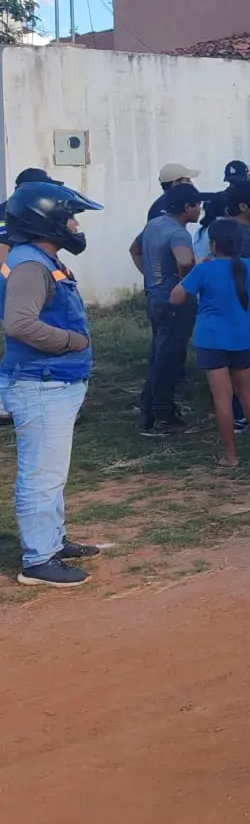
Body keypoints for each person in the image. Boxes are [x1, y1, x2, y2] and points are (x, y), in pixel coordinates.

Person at [0, 181, 103, 587]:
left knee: (50, 472)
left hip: (50, 382)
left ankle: (52, 541)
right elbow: (19, 323)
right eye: (70, 218)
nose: (76, 225)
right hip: (41, 384)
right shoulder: (31, 265)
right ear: (47, 221)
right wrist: (73, 342)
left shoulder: (38, 258)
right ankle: (39, 559)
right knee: (41, 474)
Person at [171, 218, 250, 467]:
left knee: (222, 399)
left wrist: (198, 266)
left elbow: (175, 297)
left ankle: (231, 456)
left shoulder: (204, 270)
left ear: (213, 244)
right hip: (242, 338)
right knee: (248, 394)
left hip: (212, 340)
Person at [131, 183, 203, 436]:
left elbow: (135, 250)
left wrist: (150, 276)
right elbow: (185, 260)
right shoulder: (178, 233)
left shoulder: (154, 225)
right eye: (198, 206)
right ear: (187, 208)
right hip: (174, 303)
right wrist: (186, 281)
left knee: (159, 355)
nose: (200, 210)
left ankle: (149, 410)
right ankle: (163, 416)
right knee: (169, 359)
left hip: (155, 297)